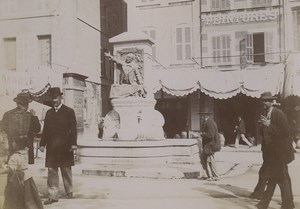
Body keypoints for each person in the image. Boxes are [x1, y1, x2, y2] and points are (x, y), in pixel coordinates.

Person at [255, 92, 295, 209]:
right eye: (263, 100)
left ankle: (281, 204)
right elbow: (268, 135)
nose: (263, 103)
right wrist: (263, 125)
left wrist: (268, 125)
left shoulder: (278, 113)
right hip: (272, 153)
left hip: (280, 153)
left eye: (266, 100)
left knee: (279, 179)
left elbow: (285, 132)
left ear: (271, 102)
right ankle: (284, 204)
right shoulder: (267, 114)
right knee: (275, 178)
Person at [39, 87, 77, 205]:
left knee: (66, 169)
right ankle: (53, 196)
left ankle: (69, 191)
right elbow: (45, 130)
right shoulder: (49, 113)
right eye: (52, 98)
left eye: (56, 97)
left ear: (61, 97)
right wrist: (42, 144)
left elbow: (74, 129)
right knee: (52, 170)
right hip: (52, 147)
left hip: (65, 147)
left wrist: (74, 143)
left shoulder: (69, 111)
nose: (54, 100)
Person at [0, 137, 44, 209]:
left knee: (15, 197)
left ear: (18, 145)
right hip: (27, 177)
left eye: (14, 142)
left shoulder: (14, 156)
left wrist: (1, 171)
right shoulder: (25, 153)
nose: (12, 143)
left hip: (17, 179)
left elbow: (11, 169)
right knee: (29, 196)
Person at [1, 92, 40, 164]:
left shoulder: (7, 114)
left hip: (12, 148)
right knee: (24, 172)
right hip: (26, 149)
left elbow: (2, 129)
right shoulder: (30, 116)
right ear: (27, 104)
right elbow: (37, 129)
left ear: (17, 103)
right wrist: (34, 116)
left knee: (12, 170)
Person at [199, 112, 219, 181]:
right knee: (204, 159)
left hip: (210, 145)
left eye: (202, 116)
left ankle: (213, 176)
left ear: (205, 116)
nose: (201, 117)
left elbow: (211, 135)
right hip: (209, 145)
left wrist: (202, 134)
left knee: (209, 160)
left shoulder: (209, 123)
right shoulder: (208, 122)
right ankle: (209, 175)